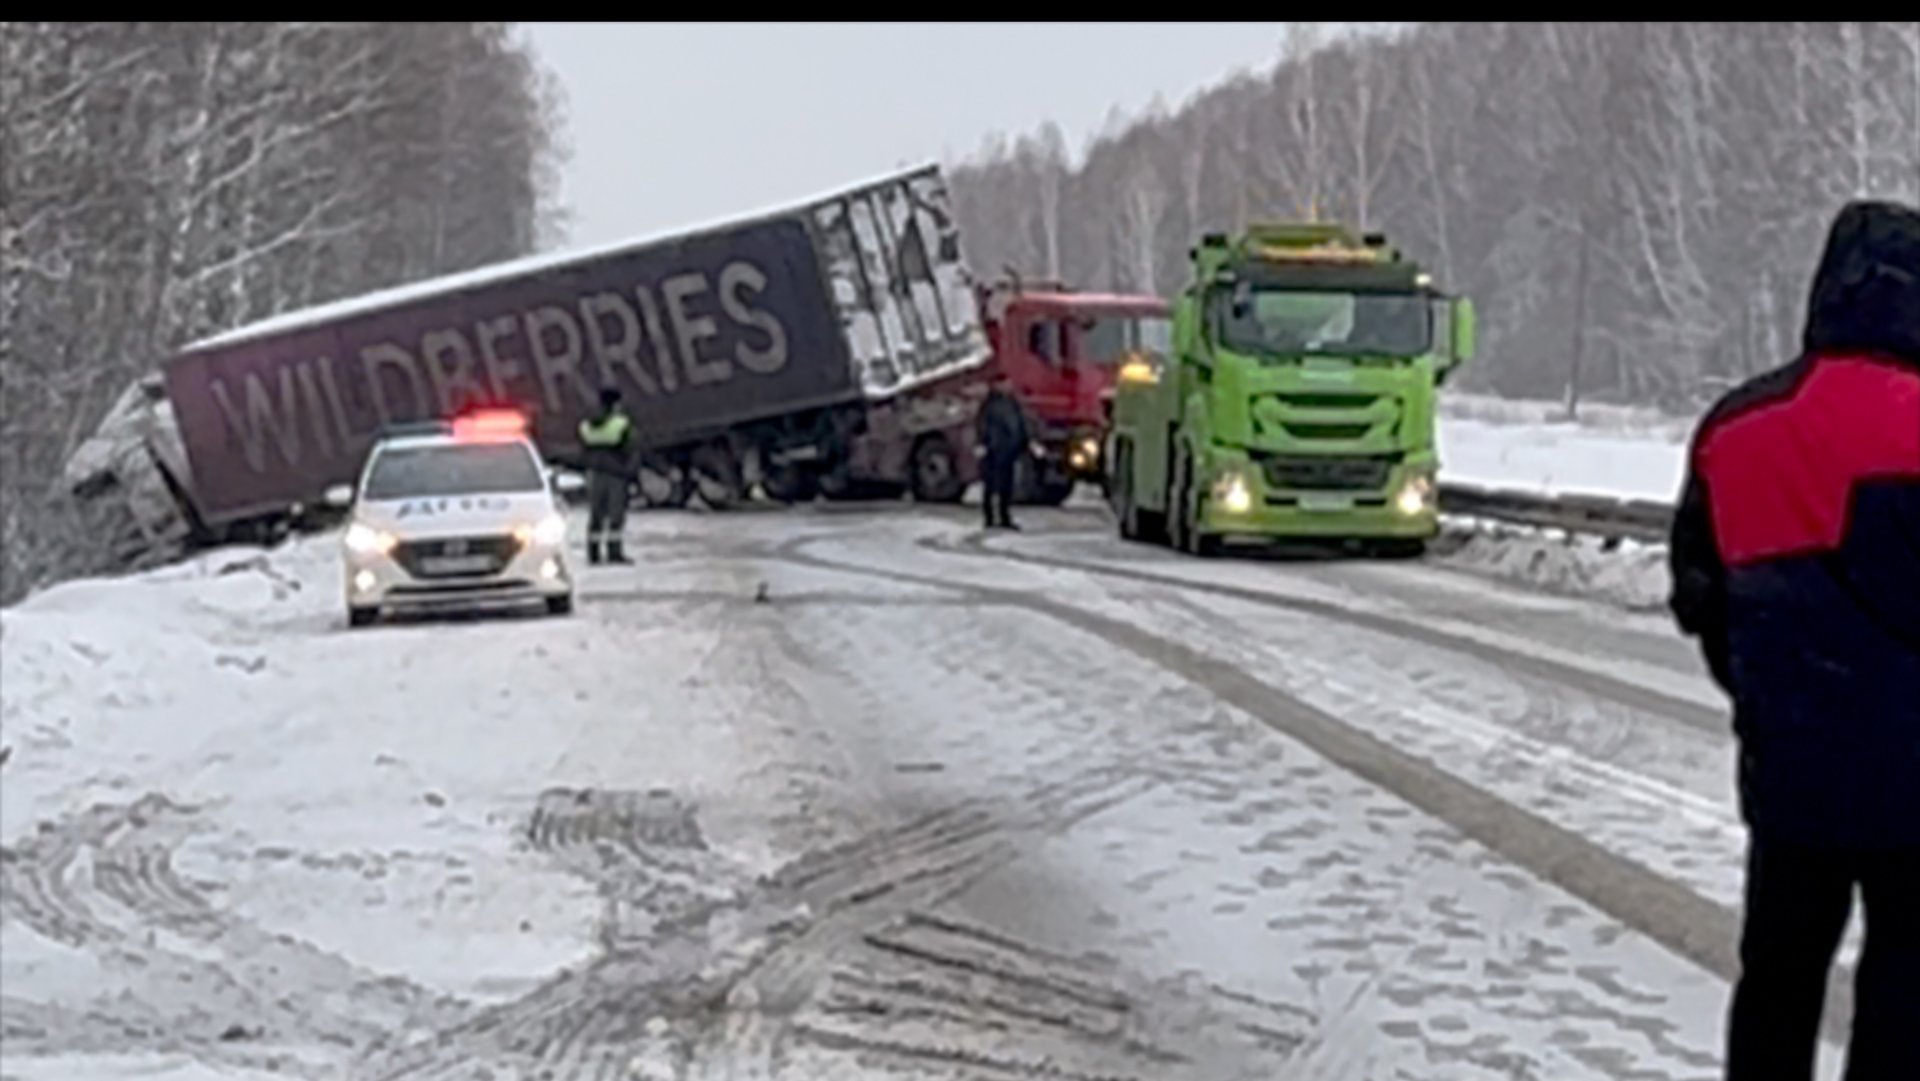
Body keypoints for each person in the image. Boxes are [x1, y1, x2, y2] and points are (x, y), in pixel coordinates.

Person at [1668, 199, 1920, 1081]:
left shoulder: (1736, 426)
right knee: (1907, 988)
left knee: (1777, 977)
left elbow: (1700, 592)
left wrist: (1766, 687)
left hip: (1790, 763)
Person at [578, 386, 636, 565]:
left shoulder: (587, 425)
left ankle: (593, 553)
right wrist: (631, 472)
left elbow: (583, 449)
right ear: (616, 404)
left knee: (596, 515)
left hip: (594, 474)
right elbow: (631, 449)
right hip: (616, 474)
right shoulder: (621, 424)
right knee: (615, 516)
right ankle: (614, 552)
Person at [974, 373, 1034, 530]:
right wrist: (982, 443)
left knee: (1007, 485)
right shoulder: (989, 404)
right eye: (1004, 384)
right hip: (993, 450)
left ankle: (1005, 516)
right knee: (991, 485)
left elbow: (1020, 423)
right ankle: (989, 518)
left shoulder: (1012, 402)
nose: (1008, 386)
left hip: (1009, 450)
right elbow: (982, 425)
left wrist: (1027, 441)